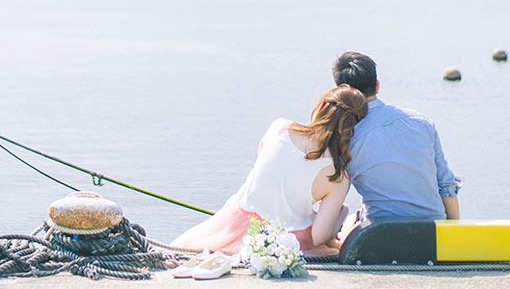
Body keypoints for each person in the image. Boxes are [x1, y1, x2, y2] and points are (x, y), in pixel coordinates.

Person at [171, 85, 368, 258]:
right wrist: (338, 223)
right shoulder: (337, 176)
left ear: (321, 107)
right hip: (288, 238)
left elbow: (266, 171)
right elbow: (318, 237)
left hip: (233, 223)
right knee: (339, 220)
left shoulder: (280, 128)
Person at [331, 51, 460, 223]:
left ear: (340, 92)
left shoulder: (347, 136)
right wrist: (452, 235)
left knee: (350, 220)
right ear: (377, 86)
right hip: (432, 230)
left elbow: (334, 198)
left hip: (381, 234)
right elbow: (446, 186)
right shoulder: (422, 122)